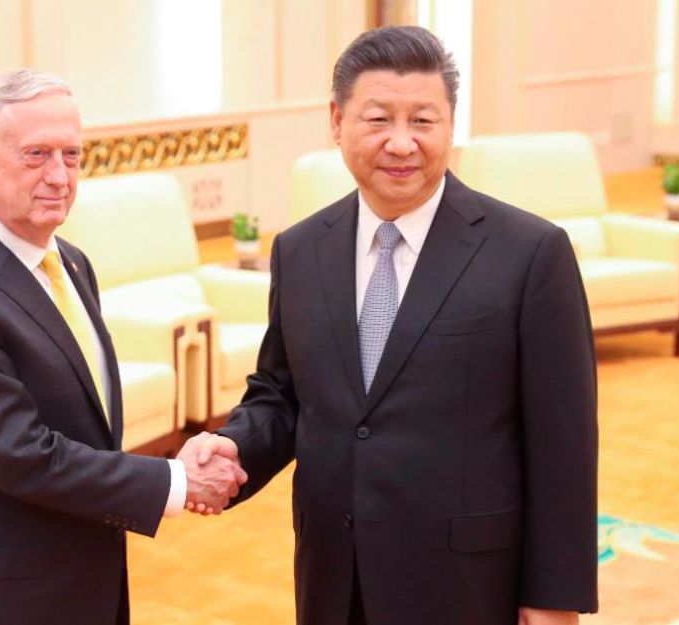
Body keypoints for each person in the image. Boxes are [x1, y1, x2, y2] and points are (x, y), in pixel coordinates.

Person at [182, 26, 598, 625]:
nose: (401, 144)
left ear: (451, 124)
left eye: (423, 122)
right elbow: (283, 396)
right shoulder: (300, 250)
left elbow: (564, 444)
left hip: (468, 583)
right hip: (335, 576)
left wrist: (556, 597)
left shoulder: (530, 253)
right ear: (336, 121)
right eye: (378, 120)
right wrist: (234, 445)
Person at [0, 69, 246, 625]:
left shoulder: (73, 264)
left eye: (72, 155)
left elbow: (85, 429)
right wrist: (176, 481)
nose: (59, 176)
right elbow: (22, 457)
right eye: (36, 155)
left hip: (84, 584)